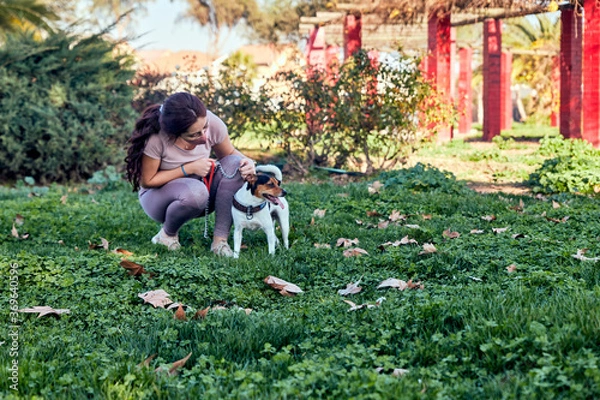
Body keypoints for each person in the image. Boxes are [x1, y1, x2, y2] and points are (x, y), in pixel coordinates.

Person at [125, 92, 256, 256]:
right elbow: (147, 181)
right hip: (160, 199)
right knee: (196, 191)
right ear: (175, 135)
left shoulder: (212, 123)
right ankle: (167, 235)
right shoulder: (156, 138)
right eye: (194, 135)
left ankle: (220, 242)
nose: (204, 136)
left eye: (205, 128)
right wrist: (188, 169)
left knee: (235, 165)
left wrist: (249, 162)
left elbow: (229, 153)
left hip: (204, 193)